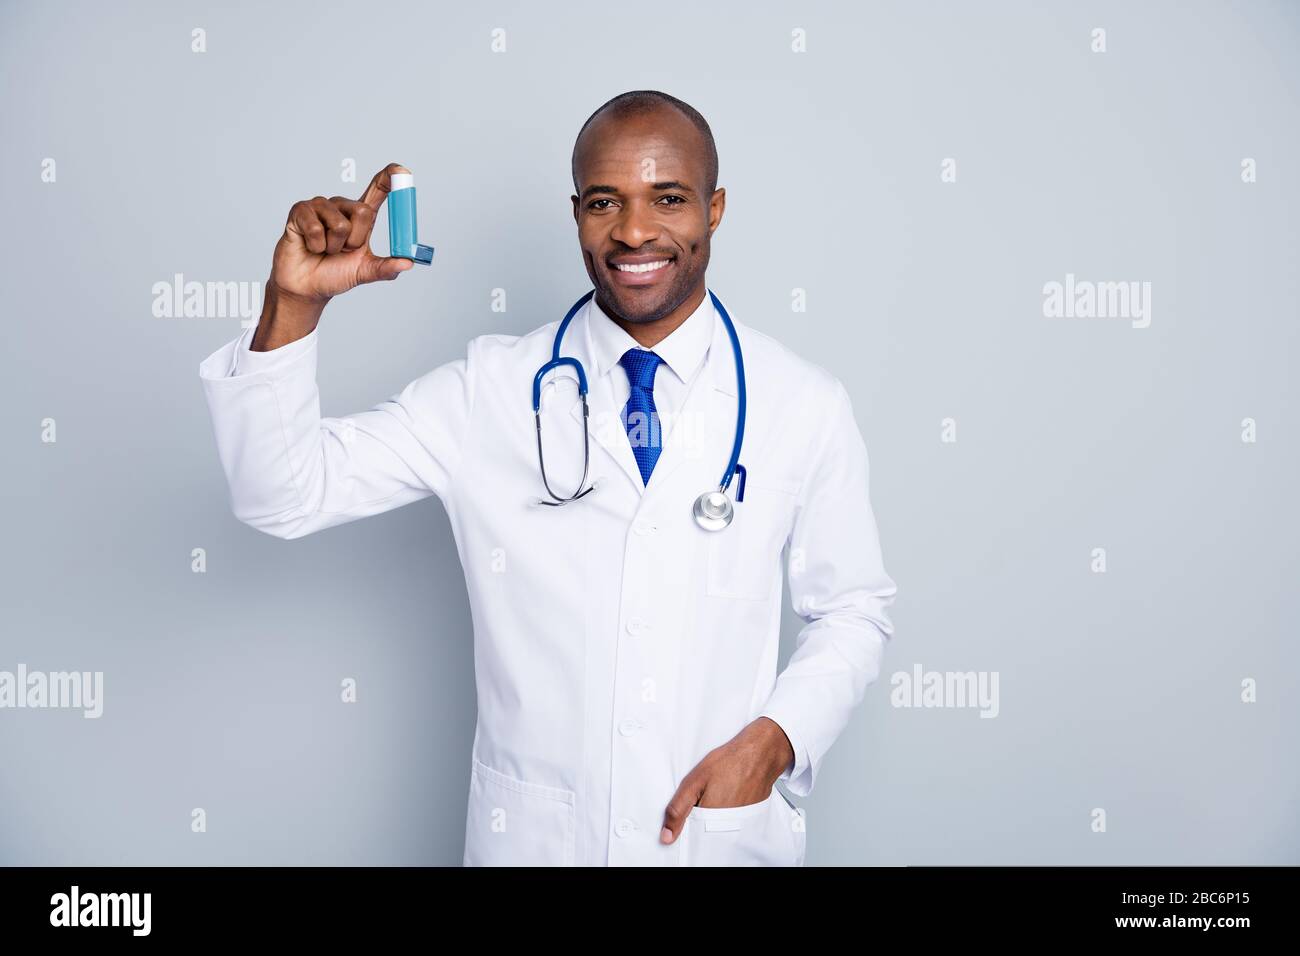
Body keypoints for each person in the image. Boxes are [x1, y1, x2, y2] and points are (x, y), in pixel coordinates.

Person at [199, 90, 897, 866]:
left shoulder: (802, 403)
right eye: (606, 202)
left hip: (715, 842)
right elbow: (280, 495)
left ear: (715, 208)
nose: (634, 231)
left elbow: (853, 609)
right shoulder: (489, 391)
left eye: (668, 199)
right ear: (576, 214)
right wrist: (292, 305)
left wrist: (777, 741)